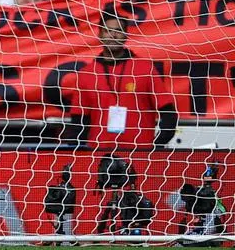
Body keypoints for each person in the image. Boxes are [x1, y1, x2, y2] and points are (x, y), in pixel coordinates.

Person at [69, 10, 178, 152]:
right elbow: (78, 121)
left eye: (118, 31)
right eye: (108, 31)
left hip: (140, 154)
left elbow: (169, 113)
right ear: (100, 35)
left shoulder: (145, 69)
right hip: (99, 154)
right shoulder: (87, 73)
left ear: (126, 35)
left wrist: (155, 146)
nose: (113, 35)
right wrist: (78, 154)